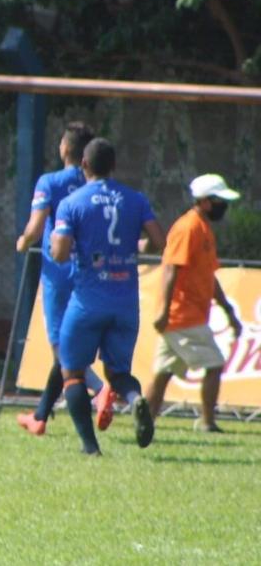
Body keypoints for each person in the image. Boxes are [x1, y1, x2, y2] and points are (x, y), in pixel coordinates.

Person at [50, 138, 165, 455]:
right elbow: (158, 240)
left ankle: (90, 446)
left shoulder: (72, 203)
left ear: (84, 165)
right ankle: (135, 400)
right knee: (118, 374)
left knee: (71, 372)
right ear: (113, 167)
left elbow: (59, 253)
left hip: (88, 301)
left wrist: (62, 245)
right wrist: (134, 248)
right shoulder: (135, 199)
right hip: (125, 302)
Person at [14, 122, 113, 435]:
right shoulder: (94, 184)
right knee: (68, 347)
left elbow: (36, 224)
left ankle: (99, 390)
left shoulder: (50, 181)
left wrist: (23, 241)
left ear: (65, 149)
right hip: (88, 274)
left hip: (58, 275)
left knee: (61, 348)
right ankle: (40, 416)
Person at [145, 174, 245, 433]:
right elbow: (170, 270)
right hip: (183, 315)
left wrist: (229, 312)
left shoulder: (203, 229)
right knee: (214, 363)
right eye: (221, 200)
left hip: (187, 316)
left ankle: (145, 417)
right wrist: (164, 311)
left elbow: (209, 277)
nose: (225, 206)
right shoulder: (188, 228)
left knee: (164, 371)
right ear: (206, 202)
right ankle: (207, 421)